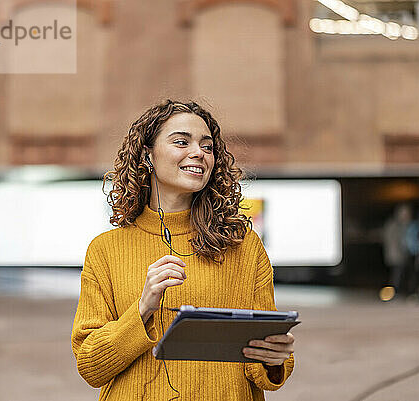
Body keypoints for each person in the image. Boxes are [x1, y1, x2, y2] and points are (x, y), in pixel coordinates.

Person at [71, 100, 295, 400]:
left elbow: (264, 368)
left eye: (207, 146)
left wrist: (274, 358)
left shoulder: (244, 246)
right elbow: (91, 366)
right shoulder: (106, 250)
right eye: (181, 142)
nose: (198, 153)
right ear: (148, 155)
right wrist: (143, 307)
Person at [382, 204, 412, 294]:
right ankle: (393, 293)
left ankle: (399, 292)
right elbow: (395, 241)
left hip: (400, 255)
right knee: (396, 275)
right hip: (396, 255)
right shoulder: (394, 226)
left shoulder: (404, 225)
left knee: (400, 274)